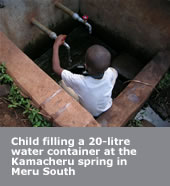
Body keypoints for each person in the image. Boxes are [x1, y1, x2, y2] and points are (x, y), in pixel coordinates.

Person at [52, 34, 118, 117]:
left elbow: (56, 68)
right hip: (106, 106)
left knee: (62, 82)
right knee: (114, 71)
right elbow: (110, 71)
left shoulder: (79, 81)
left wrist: (56, 45)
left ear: (85, 66)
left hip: (90, 112)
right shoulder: (109, 73)